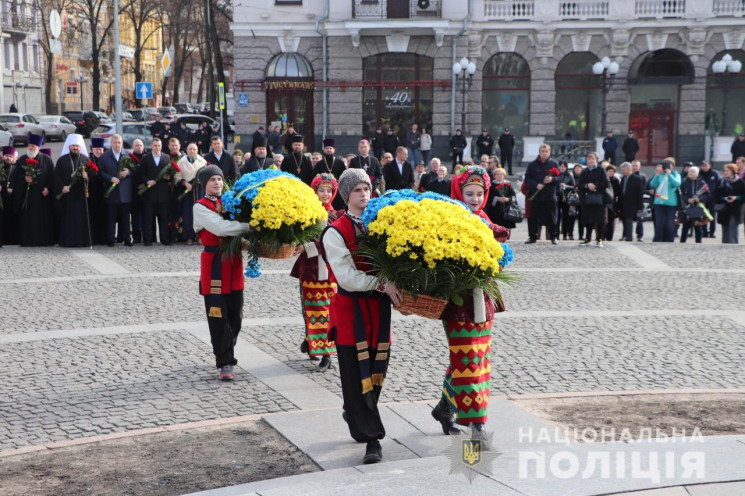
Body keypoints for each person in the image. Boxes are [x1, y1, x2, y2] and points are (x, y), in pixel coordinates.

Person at [321, 168, 402, 465]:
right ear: (346, 195)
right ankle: (372, 439)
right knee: (357, 374)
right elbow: (346, 278)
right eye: (357, 190)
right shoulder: (335, 231)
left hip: (377, 309)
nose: (364, 194)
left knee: (378, 369)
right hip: (351, 310)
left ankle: (356, 410)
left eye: (367, 188)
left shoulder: (382, 224)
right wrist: (383, 283)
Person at [432, 165, 510, 440]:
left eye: (479, 193)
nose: (475, 198)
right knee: (468, 360)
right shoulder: (451, 220)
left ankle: (444, 408)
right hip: (458, 302)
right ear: (458, 192)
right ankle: (476, 423)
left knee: (475, 359)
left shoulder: (484, 218)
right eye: (469, 193)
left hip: (482, 301)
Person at [193, 165, 251, 380]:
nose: (217, 183)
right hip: (214, 265)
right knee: (218, 315)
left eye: (219, 179)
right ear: (204, 184)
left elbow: (233, 232)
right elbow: (221, 228)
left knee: (236, 315)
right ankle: (225, 361)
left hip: (233, 263)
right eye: (212, 180)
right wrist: (250, 226)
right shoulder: (199, 207)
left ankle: (226, 347)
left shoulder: (229, 203)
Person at [291, 173, 343, 372]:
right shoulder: (307, 212)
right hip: (308, 269)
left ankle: (327, 354)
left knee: (323, 312)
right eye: (321, 190)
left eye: (329, 191)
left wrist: (307, 247)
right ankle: (310, 341)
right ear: (314, 191)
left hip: (326, 271)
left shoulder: (336, 215)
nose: (325, 194)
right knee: (308, 308)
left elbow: (331, 242)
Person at [10, 135, 55, 246]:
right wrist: (24, 178)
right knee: (28, 219)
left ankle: (43, 241)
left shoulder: (47, 160)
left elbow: (53, 177)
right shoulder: (22, 160)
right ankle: (28, 241)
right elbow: (15, 176)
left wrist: (48, 188)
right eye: (29, 145)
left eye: (33, 146)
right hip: (27, 196)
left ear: (38, 147)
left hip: (42, 197)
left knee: (42, 219)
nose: (30, 148)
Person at [55, 134, 93, 247]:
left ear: (80, 146)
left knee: (81, 218)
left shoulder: (86, 160)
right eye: (73, 146)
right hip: (68, 196)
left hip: (82, 196)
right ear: (69, 146)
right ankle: (69, 241)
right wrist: (62, 187)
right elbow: (56, 177)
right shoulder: (62, 160)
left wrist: (87, 177)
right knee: (69, 219)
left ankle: (82, 241)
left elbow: (94, 177)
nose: (75, 148)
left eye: (77, 145)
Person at [98, 134, 134, 247]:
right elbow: (100, 172)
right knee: (111, 218)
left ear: (122, 143)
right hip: (112, 191)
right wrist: (110, 178)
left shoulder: (128, 155)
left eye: (119, 142)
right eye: (115, 142)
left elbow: (135, 170)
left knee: (125, 218)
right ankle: (111, 239)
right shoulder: (104, 156)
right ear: (111, 143)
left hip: (124, 192)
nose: (117, 144)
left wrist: (128, 172)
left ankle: (127, 239)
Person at [524, 143, 560, 244]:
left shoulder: (554, 164)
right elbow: (528, 178)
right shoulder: (532, 164)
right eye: (542, 151)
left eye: (546, 151)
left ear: (549, 152)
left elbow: (559, 178)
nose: (544, 153)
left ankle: (553, 236)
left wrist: (552, 179)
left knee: (552, 217)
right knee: (533, 217)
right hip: (536, 195)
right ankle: (532, 236)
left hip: (549, 195)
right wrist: (536, 185)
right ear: (539, 152)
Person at [140, 138, 172, 246]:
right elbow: (141, 174)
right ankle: (148, 239)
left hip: (163, 194)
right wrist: (147, 181)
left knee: (163, 218)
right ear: (151, 146)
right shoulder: (146, 158)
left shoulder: (167, 158)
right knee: (148, 218)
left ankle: (164, 238)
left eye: (159, 146)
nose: (157, 148)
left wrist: (168, 177)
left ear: (161, 146)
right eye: (155, 146)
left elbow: (170, 174)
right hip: (149, 194)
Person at [175, 143, 208, 245]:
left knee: (200, 214)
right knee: (188, 214)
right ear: (187, 150)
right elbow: (177, 177)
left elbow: (207, 175)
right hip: (187, 192)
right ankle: (189, 236)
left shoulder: (203, 161)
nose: (192, 151)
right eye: (190, 149)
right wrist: (184, 183)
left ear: (197, 150)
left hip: (199, 191)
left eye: (194, 149)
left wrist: (201, 180)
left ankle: (199, 236)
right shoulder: (181, 162)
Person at [577, 152, 610, 247]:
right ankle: (587, 238)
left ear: (596, 160)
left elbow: (606, 183)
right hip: (587, 199)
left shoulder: (601, 170)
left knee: (600, 220)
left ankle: (599, 238)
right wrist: (587, 186)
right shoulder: (585, 171)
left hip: (599, 198)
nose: (590, 160)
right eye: (589, 159)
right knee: (588, 219)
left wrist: (595, 186)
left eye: (592, 159)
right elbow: (580, 185)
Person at [648, 159, 682, 242]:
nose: (666, 167)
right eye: (665, 165)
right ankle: (658, 239)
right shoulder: (661, 174)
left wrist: (669, 175)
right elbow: (653, 184)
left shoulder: (675, 174)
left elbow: (677, 183)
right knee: (659, 222)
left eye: (668, 165)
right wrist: (657, 175)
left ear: (672, 166)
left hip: (671, 203)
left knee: (670, 223)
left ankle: (669, 239)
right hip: (659, 202)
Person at [679, 166, 710, 244]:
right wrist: (687, 199)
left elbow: (708, 195)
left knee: (698, 226)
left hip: (698, 207)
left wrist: (699, 199)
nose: (691, 173)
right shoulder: (684, 182)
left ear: (697, 173)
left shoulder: (702, 183)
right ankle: (682, 242)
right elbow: (681, 194)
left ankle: (698, 242)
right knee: (685, 226)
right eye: (689, 171)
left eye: (693, 172)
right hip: (687, 207)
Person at [714, 163, 744, 244]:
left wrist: (736, 198)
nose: (725, 172)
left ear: (733, 171)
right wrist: (724, 198)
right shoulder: (721, 182)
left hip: (735, 208)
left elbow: (743, 195)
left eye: (727, 171)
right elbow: (715, 195)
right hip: (724, 208)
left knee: (733, 227)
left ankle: (734, 244)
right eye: (724, 171)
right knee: (725, 228)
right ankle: (725, 244)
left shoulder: (740, 182)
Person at [87, 137, 108, 245]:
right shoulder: (88, 160)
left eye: (100, 149)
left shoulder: (106, 159)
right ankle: (94, 238)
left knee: (105, 216)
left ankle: (105, 238)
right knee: (94, 216)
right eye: (96, 149)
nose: (98, 151)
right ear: (92, 149)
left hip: (105, 192)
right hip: (93, 192)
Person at [617, 162, 645, 242]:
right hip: (624, 203)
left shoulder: (637, 179)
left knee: (632, 220)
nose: (622, 171)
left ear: (629, 169)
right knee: (625, 220)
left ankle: (631, 237)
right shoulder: (623, 178)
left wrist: (640, 207)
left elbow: (640, 194)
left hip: (633, 204)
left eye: (623, 170)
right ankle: (625, 235)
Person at [1, 147, 18, 246]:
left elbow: (19, 183)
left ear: (14, 158)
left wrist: (13, 189)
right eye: (6, 156)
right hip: (2, 199)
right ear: (3, 156)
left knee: (12, 220)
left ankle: (12, 240)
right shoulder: (0, 168)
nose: (8, 158)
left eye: (10, 156)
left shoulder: (16, 170)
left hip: (12, 200)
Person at [129, 139, 146, 244]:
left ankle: (148, 237)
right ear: (133, 147)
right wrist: (137, 186)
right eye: (137, 145)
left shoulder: (147, 158)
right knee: (135, 216)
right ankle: (136, 237)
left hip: (146, 191)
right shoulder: (129, 159)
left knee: (146, 216)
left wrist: (145, 184)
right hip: (134, 191)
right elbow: (130, 176)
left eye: (140, 145)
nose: (139, 147)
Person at [698, 160, 721, 238]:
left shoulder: (715, 173)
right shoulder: (699, 174)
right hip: (702, 197)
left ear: (709, 165)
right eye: (703, 166)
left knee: (712, 215)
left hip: (712, 197)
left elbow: (719, 183)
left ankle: (712, 232)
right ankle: (704, 231)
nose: (704, 167)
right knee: (703, 215)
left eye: (706, 165)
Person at [557, 160, 576, 240]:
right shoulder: (556, 175)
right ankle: (556, 234)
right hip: (558, 197)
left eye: (564, 166)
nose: (562, 168)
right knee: (557, 216)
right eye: (561, 166)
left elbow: (573, 187)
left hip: (567, 197)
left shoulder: (569, 175)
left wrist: (566, 186)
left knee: (566, 217)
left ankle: (565, 234)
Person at [603, 164, 621, 241]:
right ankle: (602, 235)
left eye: (613, 171)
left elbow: (618, 193)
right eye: (609, 171)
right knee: (603, 220)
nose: (611, 173)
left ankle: (610, 236)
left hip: (612, 202)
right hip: (604, 202)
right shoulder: (603, 180)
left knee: (611, 220)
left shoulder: (616, 181)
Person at [631, 160, 647, 241]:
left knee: (640, 219)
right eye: (633, 165)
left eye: (636, 165)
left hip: (640, 201)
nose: (635, 167)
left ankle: (640, 235)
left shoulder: (642, 176)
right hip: (630, 201)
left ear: (639, 166)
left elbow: (645, 188)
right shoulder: (628, 176)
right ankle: (626, 235)